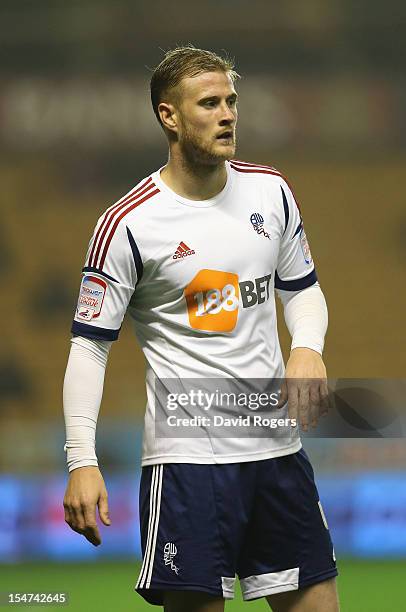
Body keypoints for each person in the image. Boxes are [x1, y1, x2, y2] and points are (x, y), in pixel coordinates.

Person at [63, 46, 339, 611]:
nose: (228, 114)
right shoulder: (128, 224)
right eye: (209, 103)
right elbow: (89, 349)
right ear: (169, 116)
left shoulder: (271, 191)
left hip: (278, 454)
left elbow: (303, 289)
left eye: (231, 102)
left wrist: (307, 348)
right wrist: (81, 461)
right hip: (189, 464)